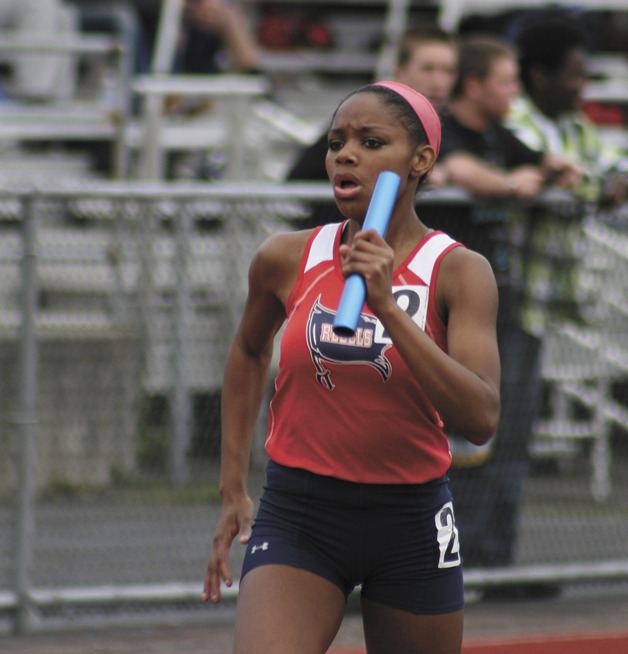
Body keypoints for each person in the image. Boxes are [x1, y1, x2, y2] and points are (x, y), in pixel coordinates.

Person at [204, 81, 501, 653]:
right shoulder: (287, 257)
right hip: (302, 513)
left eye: (370, 142)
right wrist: (232, 488)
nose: (345, 154)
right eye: (336, 141)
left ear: (420, 161)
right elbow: (246, 353)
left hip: (411, 518)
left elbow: (481, 416)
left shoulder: (460, 271)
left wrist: (386, 304)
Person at [286, 25, 459, 222]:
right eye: (427, 69)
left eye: (448, 71)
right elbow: (297, 180)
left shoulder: (453, 125)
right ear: (399, 71)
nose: (439, 82)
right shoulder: (362, 116)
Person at [507, 14, 628, 205]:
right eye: (575, 75)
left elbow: (614, 160)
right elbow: (562, 178)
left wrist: (619, 177)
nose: (582, 86)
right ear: (540, 77)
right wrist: (604, 185)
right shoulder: (513, 120)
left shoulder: (576, 123)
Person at [438, 37, 580, 198]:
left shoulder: (494, 131)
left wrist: (558, 170)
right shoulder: (439, 128)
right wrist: (511, 184)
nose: (517, 90)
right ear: (473, 86)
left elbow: (536, 159)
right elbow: (458, 167)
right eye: (506, 82)